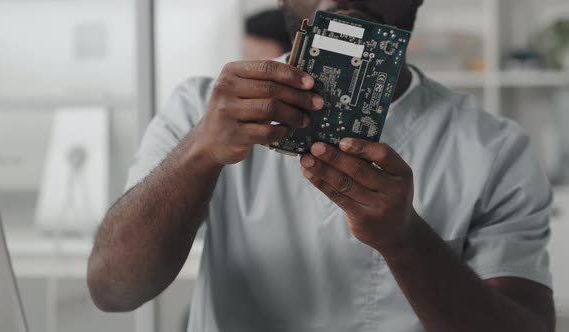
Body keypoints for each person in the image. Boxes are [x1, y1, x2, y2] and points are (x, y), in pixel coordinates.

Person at [87, 0, 556, 331]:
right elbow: (113, 290)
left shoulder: (495, 149)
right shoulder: (200, 108)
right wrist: (199, 152)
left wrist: (405, 240)